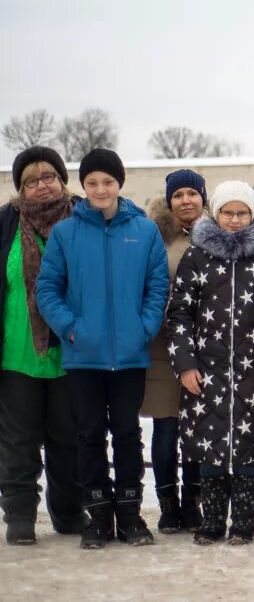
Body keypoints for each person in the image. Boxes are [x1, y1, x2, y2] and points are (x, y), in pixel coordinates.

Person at [36, 148, 169, 549]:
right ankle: (98, 515)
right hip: (84, 357)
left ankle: (130, 514)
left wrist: (144, 328)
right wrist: (71, 329)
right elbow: (48, 289)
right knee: (90, 434)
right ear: (84, 186)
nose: (99, 189)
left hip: (130, 355)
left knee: (127, 434)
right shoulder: (65, 232)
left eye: (107, 181)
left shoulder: (144, 231)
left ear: (119, 184)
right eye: (92, 182)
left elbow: (157, 286)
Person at [166, 181, 254, 545]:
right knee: (211, 449)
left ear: (253, 215)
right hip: (206, 372)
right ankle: (212, 521)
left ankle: (243, 524)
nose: (235, 220)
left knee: (251, 449)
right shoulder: (196, 256)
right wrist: (185, 364)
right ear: (215, 215)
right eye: (228, 213)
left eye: (242, 213)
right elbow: (179, 315)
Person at [0, 147, 86, 545]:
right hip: (16, 352)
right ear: (20, 187)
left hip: (73, 350)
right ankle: (19, 515)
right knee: (18, 438)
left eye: (49, 176)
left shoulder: (83, 217)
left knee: (68, 437)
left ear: (62, 179)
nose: (41, 186)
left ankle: (69, 512)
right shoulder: (5, 223)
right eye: (30, 180)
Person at [143, 169, 206, 534]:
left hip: (204, 346)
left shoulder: (214, 238)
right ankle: (167, 504)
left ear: (203, 198)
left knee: (197, 428)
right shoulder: (156, 239)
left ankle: (193, 501)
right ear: (169, 201)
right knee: (166, 427)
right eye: (179, 194)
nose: (186, 200)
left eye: (192, 194)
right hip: (163, 345)